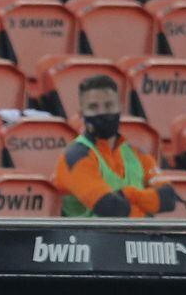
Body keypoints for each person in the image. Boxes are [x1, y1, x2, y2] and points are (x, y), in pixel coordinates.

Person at [53, 74, 178, 218]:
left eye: (109, 105)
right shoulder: (74, 157)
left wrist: (129, 194)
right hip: (90, 239)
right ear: (81, 113)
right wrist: (145, 212)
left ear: (121, 107)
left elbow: (168, 198)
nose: (102, 112)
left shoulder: (139, 155)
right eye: (93, 107)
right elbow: (110, 208)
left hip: (138, 238)